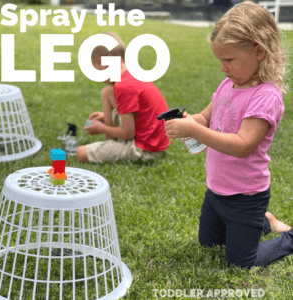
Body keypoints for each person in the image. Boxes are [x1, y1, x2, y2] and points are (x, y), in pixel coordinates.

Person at [164, 1, 292, 268]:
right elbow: (205, 117)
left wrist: (195, 130)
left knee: (241, 262)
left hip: (245, 196)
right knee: (208, 244)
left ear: (259, 51)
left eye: (229, 59)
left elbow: (243, 144)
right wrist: (189, 122)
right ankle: (265, 222)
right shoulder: (228, 84)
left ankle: (288, 237)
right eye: (220, 60)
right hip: (217, 190)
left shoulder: (266, 96)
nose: (223, 67)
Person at [76, 32, 170, 163]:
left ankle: (110, 142)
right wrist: (105, 118)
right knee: (108, 91)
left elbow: (127, 133)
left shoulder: (123, 86)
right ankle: (110, 142)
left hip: (145, 150)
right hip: (154, 142)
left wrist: (101, 129)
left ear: (102, 62)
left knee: (81, 153)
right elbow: (137, 114)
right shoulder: (131, 76)